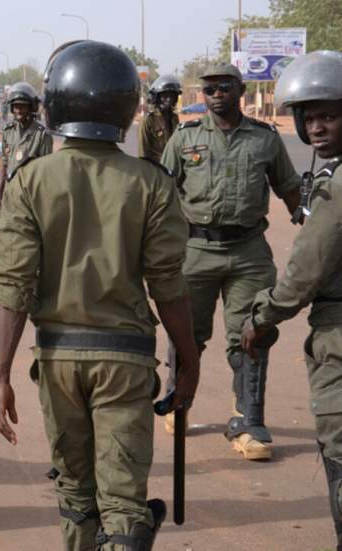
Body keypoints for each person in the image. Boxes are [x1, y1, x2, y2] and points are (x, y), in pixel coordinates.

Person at [0, 41, 199, 551]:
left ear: (54, 105)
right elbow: (167, 284)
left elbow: (14, 285)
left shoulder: (29, 182)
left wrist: (1, 375)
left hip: (57, 358)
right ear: (128, 108)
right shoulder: (151, 183)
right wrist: (188, 358)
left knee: (75, 495)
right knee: (124, 502)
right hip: (126, 359)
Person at [160, 63, 302, 460]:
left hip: (248, 253)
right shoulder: (183, 137)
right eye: (209, 89)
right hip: (195, 251)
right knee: (186, 333)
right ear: (201, 96)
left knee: (253, 333)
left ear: (241, 90)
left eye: (224, 86)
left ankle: (249, 421)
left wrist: (314, 233)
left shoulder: (264, 139)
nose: (216, 94)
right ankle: (178, 400)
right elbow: (161, 194)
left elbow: (290, 189)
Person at [242, 50, 342, 550]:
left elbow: (303, 274)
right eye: (311, 117)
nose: (318, 127)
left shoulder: (338, 185)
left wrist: (261, 317)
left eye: (330, 115)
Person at [0, 82, 53, 297]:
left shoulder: (42, 135)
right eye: (16, 107)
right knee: (0, 238)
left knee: (30, 240)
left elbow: (46, 171)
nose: (19, 111)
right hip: (9, 193)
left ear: (32, 107)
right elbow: (4, 163)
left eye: (23, 106)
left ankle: (34, 282)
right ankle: (1, 279)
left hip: (30, 196)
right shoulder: (9, 132)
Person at [138, 74, 182, 163]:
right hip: (156, 167)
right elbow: (143, 152)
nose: (169, 100)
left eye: (171, 96)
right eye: (165, 96)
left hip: (173, 165)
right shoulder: (148, 120)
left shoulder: (174, 118)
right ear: (157, 97)